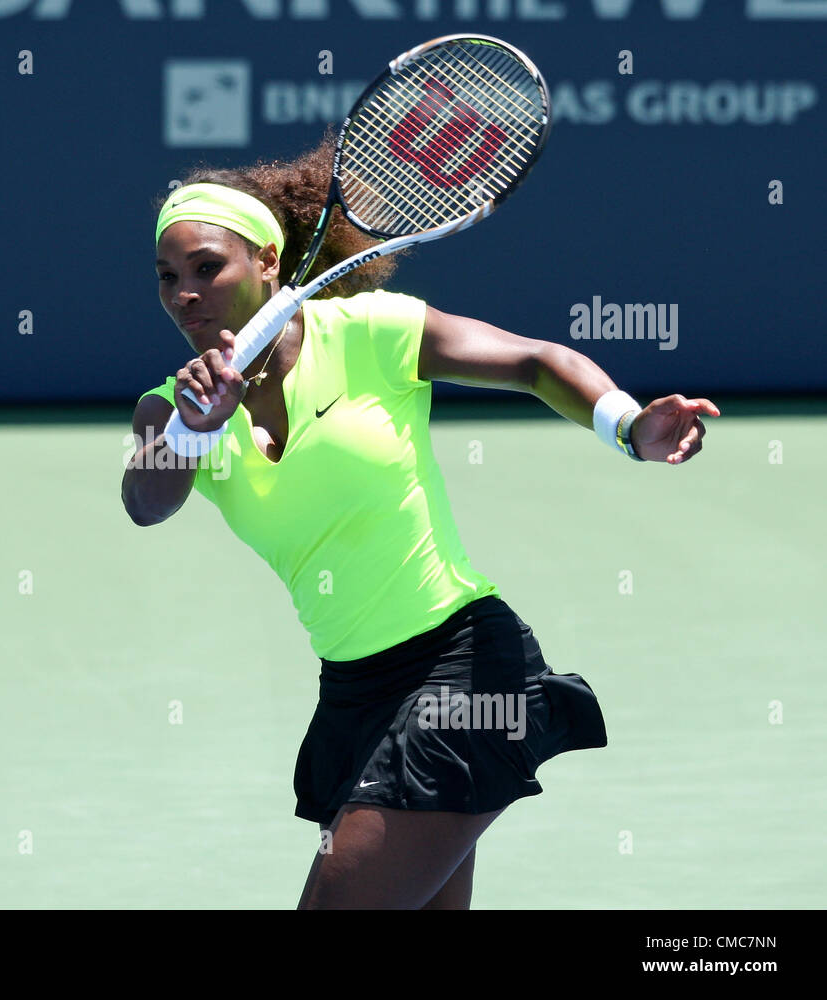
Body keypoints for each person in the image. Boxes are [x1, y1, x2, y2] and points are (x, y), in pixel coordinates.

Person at [121, 134, 719, 909]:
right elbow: (145, 503)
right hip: (355, 693)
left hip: (463, 672)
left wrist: (629, 425)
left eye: (209, 267)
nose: (185, 294)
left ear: (269, 262)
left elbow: (532, 362)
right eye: (168, 277)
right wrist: (196, 427)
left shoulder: (371, 332)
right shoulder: (170, 409)